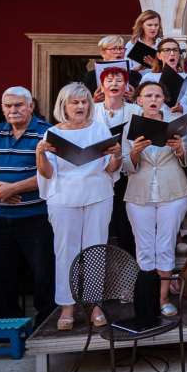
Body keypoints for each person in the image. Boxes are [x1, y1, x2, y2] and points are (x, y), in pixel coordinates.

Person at [35, 83, 121, 329]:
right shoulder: (52, 133)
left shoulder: (100, 129)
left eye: (84, 102)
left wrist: (117, 152)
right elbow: (47, 174)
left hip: (97, 195)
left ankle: (95, 305)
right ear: (63, 106)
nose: (81, 106)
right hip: (63, 198)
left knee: (95, 250)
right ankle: (67, 306)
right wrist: (40, 154)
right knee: (65, 252)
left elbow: (111, 168)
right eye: (75, 102)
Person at [0, 87, 56, 327]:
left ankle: (46, 324)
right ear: (2, 108)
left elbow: (52, 173)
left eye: (19, 105)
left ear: (31, 106)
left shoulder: (47, 132)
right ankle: (10, 324)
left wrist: (13, 188)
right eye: (8, 106)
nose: (13, 110)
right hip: (2, 218)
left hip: (37, 217)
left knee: (44, 274)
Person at [122, 81, 187, 316]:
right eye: (148, 95)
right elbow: (124, 166)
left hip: (173, 192)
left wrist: (180, 149)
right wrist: (134, 152)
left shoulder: (176, 124)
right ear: (138, 99)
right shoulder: (129, 126)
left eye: (158, 95)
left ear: (163, 99)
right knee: (144, 249)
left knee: (165, 245)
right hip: (139, 194)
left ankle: (163, 299)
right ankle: (147, 298)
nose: (153, 99)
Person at [92, 67, 141, 258]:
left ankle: (129, 267)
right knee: (98, 222)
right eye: (109, 80)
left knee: (125, 223)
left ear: (126, 86)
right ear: (102, 86)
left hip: (127, 173)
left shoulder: (135, 110)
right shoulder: (91, 110)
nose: (114, 84)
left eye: (119, 80)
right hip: (99, 174)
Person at [140, 38, 187, 115]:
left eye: (175, 50)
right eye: (167, 50)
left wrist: (183, 108)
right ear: (159, 55)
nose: (172, 53)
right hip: (157, 122)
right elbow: (140, 105)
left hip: (180, 124)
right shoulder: (149, 78)